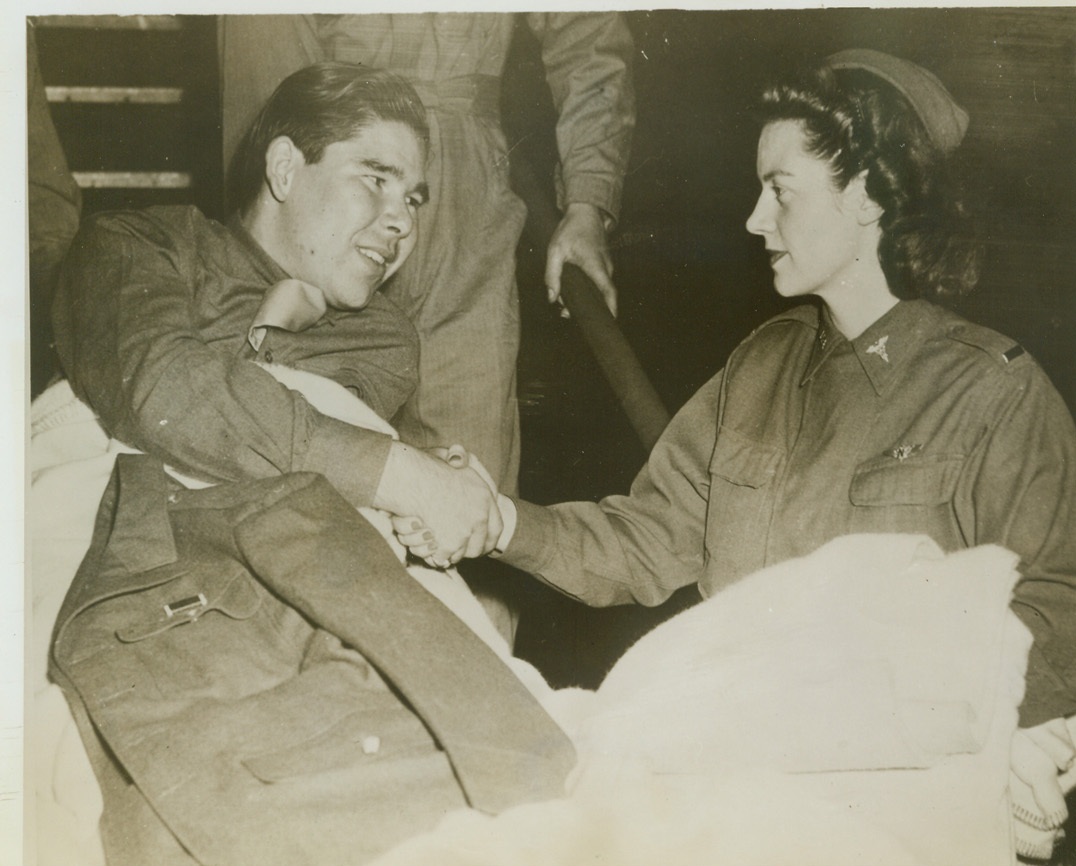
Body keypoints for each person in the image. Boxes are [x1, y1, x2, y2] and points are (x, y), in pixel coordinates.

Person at [400, 49, 1076, 857]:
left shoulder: (993, 391)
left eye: (780, 191)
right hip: (737, 777)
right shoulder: (760, 366)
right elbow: (645, 540)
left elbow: (1056, 613)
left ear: (863, 196)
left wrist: (941, 722)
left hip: (886, 796)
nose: (755, 219)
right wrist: (499, 522)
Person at [52, 62, 502, 559]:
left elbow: (299, 480)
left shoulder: (384, 339)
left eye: (413, 200)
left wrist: (414, 478)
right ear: (285, 169)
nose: (402, 221)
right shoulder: (137, 244)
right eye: (375, 180)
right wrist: (403, 473)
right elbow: (164, 391)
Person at [218, 13, 636, 497]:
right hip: (337, 182)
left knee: (472, 480)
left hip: (469, 204)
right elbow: (266, 76)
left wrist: (587, 202)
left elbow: (589, 31)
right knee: (303, 465)